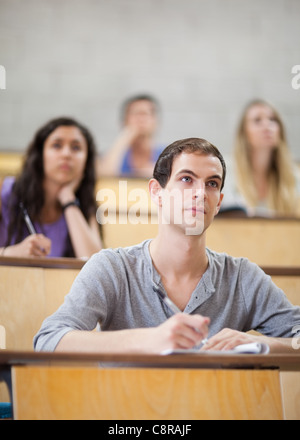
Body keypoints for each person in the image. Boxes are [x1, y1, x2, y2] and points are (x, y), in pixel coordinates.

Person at [34, 138, 300, 354]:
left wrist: (264, 343)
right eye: (186, 179)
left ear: (218, 202)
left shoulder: (242, 277)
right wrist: (149, 340)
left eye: (211, 184)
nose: (200, 193)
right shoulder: (112, 268)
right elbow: (48, 340)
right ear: (156, 192)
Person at [0, 117, 102, 258]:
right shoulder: (5, 191)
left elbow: (95, 266)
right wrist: (10, 253)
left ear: (86, 160)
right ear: (41, 155)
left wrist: (68, 199)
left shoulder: (84, 206)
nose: (66, 154)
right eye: (57, 145)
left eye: (76, 148)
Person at [220, 99, 300, 217]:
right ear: (244, 132)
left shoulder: (293, 175)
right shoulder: (225, 171)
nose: (267, 125)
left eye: (272, 120)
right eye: (257, 120)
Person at [97, 94, 164, 177]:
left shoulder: (168, 155)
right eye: (136, 114)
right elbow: (104, 176)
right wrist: (124, 137)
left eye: (146, 114)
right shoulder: (116, 155)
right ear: (124, 121)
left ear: (156, 122)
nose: (141, 119)